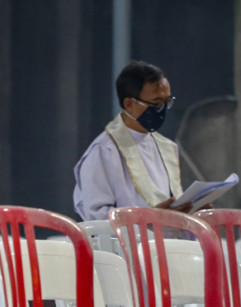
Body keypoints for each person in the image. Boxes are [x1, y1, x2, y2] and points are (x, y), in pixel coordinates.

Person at [73, 60, 191, 221]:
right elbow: (95, 215)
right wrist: (148, 218)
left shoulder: (168, 147)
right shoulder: (104, 150)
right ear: (128, 103)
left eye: (167, 102)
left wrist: (193, 209)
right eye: (156, 103)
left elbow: (173, 205)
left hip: (167, 240)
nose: (162, 110)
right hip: (127, 244)